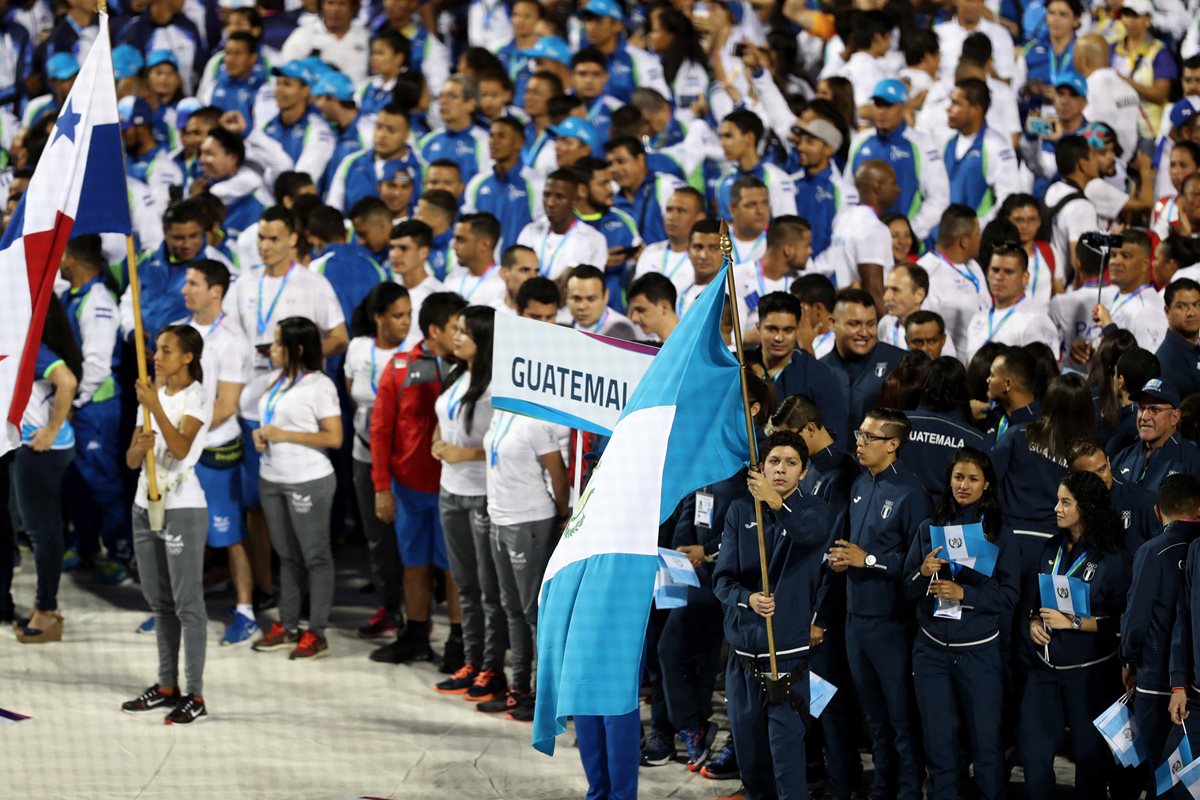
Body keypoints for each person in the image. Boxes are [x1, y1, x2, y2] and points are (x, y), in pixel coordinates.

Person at [713, 430, 830, 800]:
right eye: (774, 462)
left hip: (786, 662)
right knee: (753, 769)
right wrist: (748, 599)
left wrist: (778, 505)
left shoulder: (816, 510)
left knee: (788, 770)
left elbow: (809, 532)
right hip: (743, 660)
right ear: (760, 467)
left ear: (804, 471)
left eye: (791, 463)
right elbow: (722, 580)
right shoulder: (739, 510)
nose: (781, 469)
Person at [903, 446, 1019, 800]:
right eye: (958, 477)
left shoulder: (998, 532)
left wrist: (966, 594)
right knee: (938, 747)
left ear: (986, 485)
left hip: (979, 653)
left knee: (986, 747)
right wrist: (922, 574)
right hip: (931, 652)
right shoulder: (930, 527)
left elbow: (1009, 596)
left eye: (972, 479)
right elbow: (906, 589)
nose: (964, 485)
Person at [829, 408, 931, 800]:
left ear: (893, 444)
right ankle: (882, 787)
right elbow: (851, 546)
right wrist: (842, 560)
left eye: (869, 437)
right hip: (856, 619)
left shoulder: (911, 493)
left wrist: (868, 560)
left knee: (900, 716)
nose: (860, 441)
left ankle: (908, 791)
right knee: (872, 716)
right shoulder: (858, 485)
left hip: (891, 622)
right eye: (859, 433)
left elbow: (915, 565)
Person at [478, 300, 570, 722]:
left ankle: (544, 694)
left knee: (533, 612)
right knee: (511, 606)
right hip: (500, 517)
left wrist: (562, 513)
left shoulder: (535, 421)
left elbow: (558, 471)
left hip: (530, 521)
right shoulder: (500, 411)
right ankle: (519, 688)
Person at [1019, 470, 1132, 798]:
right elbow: (1033, 603)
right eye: (1057, 500)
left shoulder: (1112, 559)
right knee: (1034, 756)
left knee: (1090, 762)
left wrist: (1075, 623)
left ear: (1086, 507)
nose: (1056, 508)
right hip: (1045, 673)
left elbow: (1121, 621)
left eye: (1065, 502)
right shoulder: (1050, 548)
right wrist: (1033, 623)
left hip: (1089, 677)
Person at [369, 292, 468, 666]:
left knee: (453, 568)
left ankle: (459, 642)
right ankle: (415, 635)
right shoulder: (398, 367)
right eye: (455, 328)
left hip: (452, 487)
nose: (461, 334)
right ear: (435, 330)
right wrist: (381, 487)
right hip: (408, 488)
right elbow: (380, 431)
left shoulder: (471, 367)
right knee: (414, 564)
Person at [119, 325, 211, 724]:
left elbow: (179, 447)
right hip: (145, 503)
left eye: (166, 350)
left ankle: (195, 693)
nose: (157, 356)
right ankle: (165, 685)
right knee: (160, 603)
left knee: (187, 604)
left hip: (182, 507)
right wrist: (138, 450)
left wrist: (154, 406)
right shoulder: (149, 396)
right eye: (156, 349)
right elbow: (130, 461)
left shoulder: (197, 397)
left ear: (187, 357)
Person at [250, 317, 343, 660]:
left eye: (277, 344)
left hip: (308, 479)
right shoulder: (276, 380)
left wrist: (282, 434)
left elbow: (334, 437)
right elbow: (272, 424)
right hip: (272, 477)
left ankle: (316, 632)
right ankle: (289, 625)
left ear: (297, 349)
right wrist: (261, 436)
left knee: (315, 556)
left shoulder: (319, 385)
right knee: (287, 557)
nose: (271, 349)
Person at [431, 306, 508, 703]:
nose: (456, 336)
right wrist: (436, 441)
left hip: (482, 492)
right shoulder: (456, 374)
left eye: (465, 332)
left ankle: (493, 667)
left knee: (487, 588)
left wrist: (466, 455)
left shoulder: (498, 386)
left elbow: (503, 445)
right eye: (455, 329)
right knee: (464, 584)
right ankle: (471, 660)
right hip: (450, 490)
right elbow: (443, 417)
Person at [179, 259, 256, 646]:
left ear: (216, 290)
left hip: (214, 450)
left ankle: (246, 612)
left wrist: (184, 433)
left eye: (193, 283)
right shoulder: (182, 332)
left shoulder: (233, 341)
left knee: (229, 535)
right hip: (182, 448)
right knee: (179, 533)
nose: (185, 289)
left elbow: (227, 404)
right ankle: (178, 610)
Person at [1115, 475, 1200, 774]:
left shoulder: (1153, 551)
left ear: (1156, 509)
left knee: (1161, 777)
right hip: (1193, 685)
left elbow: (1136, 618)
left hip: (1158, 679)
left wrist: (1127, 658)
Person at [345, 283, 412, 641]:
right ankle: (389, 607)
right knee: (376, 538)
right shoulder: (357, 347)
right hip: (364, 454)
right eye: (398, 316)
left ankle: (418, 613)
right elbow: (354, 396)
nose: (405, 322)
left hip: (404, 460)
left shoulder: (416, 354)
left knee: (406, 537)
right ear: (378, 318)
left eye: (408, 315)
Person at [11, 296, 79, 644]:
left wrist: (51, 429)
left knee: (43, 532)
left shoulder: (33, 346)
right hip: (40, 448)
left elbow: (66, 381)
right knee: (42, 530)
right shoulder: (30, 342)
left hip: (40, 450)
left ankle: (47, 610)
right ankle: (45, 605)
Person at [849, 78, 949, 243]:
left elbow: (939, 197)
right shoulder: (860, 141)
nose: (881, 112)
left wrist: (909, 232)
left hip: (905, 246)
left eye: (888, 106)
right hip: (864, 240)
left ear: (903, 107)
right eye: (878, 105)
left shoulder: (922, 144)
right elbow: (850, 190)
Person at [757, 291, 850, 450]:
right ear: (758, 328)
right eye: (772, 329)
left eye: (788, 330)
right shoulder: (739, 369)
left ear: (798, 329)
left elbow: (835, 441)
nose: (779, 338)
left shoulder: (821, 377)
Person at [821, 289, 904, 441]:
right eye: (855, 324)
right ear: (832, 323)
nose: (864, 332)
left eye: (871, 324)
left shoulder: (900, 363)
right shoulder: (819, 370)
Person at [901, 357, 988, 502]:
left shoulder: (896, 424)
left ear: (925, 384)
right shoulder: (977, 440)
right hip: (947, 520)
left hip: (895, 513)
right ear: (963, 388)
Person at [963, 243, 1059, 364]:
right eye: (995, 270)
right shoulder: (977, 319)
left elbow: (1047, 374)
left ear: (1025, 278)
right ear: (987, 273)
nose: (999, 277)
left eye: (1008, 272)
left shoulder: (1036, 320)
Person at [817, 161, 896, 306]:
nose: (898, 189)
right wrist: (887, 327)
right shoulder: (873, 228)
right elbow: (874, 290)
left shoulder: (844, 219)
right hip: (861, 316)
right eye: (893, 183)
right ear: (877, 187)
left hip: (843, 310)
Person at [943, 78, 1019, 224]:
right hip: (948, 236)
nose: (948, 108)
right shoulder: (949, 144)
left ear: (976, 110)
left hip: (975, 238)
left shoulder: (997, 147)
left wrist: (978, 228)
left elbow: (1008, 199)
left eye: (956, 103)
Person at [1069, 438, 1159, 560]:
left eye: (1102, 469)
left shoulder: (1143, 501)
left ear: (1109, 462)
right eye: (1090, 475)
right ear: (1074, 477)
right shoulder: (1070, 506)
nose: (1100, 479)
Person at [516, 168, 608, 280]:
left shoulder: (594, 240)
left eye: (559, 197)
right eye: (547, 195)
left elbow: (592, 286)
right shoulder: (529, 232)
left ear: (574, 200)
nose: (550, 203)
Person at [1111, 379, 1200, 494]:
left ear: (1175, 417)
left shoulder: (1193, 462)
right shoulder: (1122, 457)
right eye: (1141, 408)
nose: (1144, 417)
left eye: (1154, 409)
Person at [918, 204, 988, 350]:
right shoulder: (925, 273)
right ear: (964, 241)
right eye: (977, 233)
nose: (980, 239)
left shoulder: (974, 267)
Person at [462, 117, 537, 251]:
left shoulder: (535, 184)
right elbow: (467, 228)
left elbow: (540, 229)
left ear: (519, 142)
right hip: (485, 267)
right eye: (491, 136)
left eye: (501, 136)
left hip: (518, 266)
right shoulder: (477, 183)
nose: (493, 142)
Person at [1094, 229, 1168, 353]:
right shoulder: (1118, 294)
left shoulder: (1148, 311)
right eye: (1113, 255)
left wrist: (1108, 327)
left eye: (1125, 256)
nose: (1115, 261)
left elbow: (1145, 367)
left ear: (1145, 265)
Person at [604, 136, 684, 246]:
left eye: (621, 161)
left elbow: (686, 233)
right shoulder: (611, 201)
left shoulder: (667, 186)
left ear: (640, 159)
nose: (614, 169)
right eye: (610, 164)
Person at [1043, 135, 1101, 276]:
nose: (1097, 161)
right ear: (1082, 164)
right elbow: (1081, 263)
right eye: (1093, 156)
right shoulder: (1081, 207)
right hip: (1066, 290)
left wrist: (1112, 239)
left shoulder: (1054, 189)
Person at [633, 187, 704, 298]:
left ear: (699, 218)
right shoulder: (650, 252)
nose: (672, 217)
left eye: (681, 211)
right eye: (669, 210)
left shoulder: (705, 259)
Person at [446, 212, 506, 309]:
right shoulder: (451, 279)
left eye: (460, 240)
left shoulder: (503, 284)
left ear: (484, 245)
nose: (454, 246)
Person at [565, 265, 638, 339]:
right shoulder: (561, 323)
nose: (582, 306)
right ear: (566, 295)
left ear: (606, 296)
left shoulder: (623, 329)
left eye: (591, 299)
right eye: (576, 299)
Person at [1156, 277, 1200, 398]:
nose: (1191, 312)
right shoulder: (1163, 364)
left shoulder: (1195, 348)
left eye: (1197, 304)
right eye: (1181, 306)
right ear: (1167, 311)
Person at [626, 273, 678, 343]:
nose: (634, 318)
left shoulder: (693, 345)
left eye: (641, 310)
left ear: (664, 307)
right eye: (632, 311)